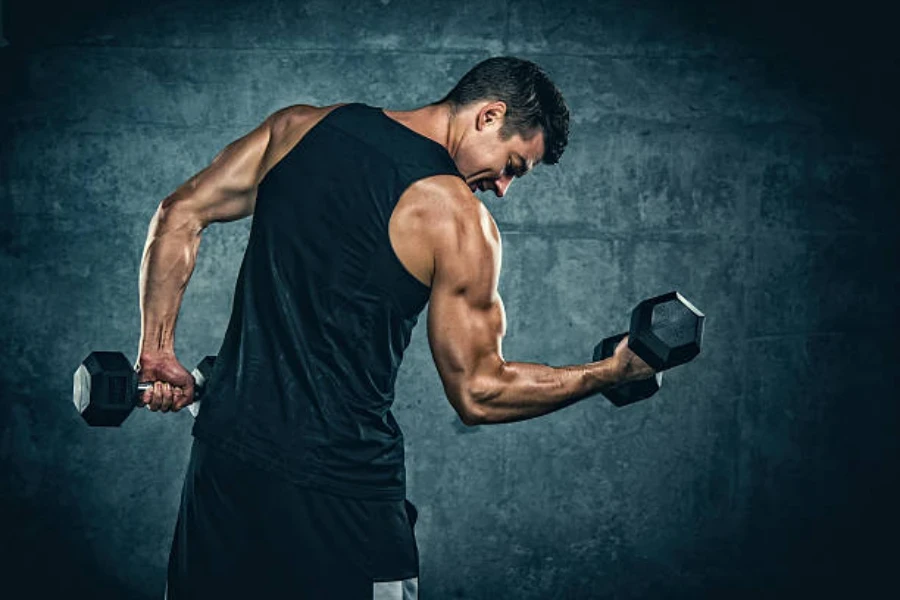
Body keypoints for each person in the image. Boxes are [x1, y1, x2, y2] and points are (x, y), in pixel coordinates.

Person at [134, 56, 656, 599]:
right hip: (339, 495)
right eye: (513, 165)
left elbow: (179, 214)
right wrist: (609, 372)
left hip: (224, 464)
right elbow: (480, 393)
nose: (502, 188)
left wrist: (156, 351)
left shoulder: (300, 128)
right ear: (489, 116)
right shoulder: (455, 216)